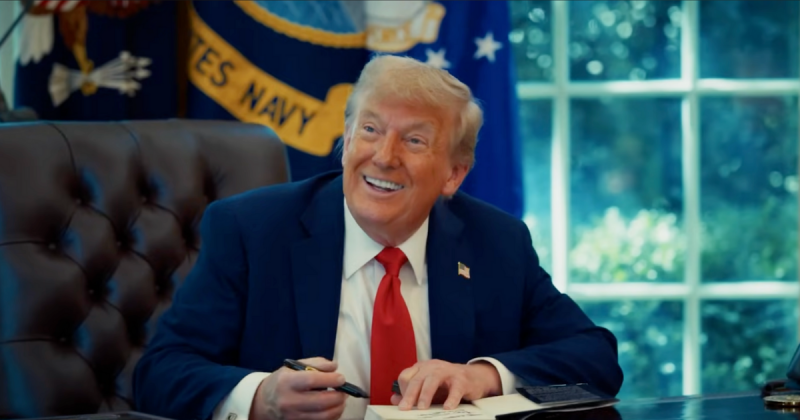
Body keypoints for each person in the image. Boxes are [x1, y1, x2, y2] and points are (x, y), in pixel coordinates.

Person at [132, 55, 623, 420]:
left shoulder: (496, 241)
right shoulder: (252, 230)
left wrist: (482, 375)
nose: (384, 157)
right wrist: (262, 397)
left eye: (414, 140)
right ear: (347, 140)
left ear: (453, 174)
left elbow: (595, 355)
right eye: (370, 130)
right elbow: (160, 373)